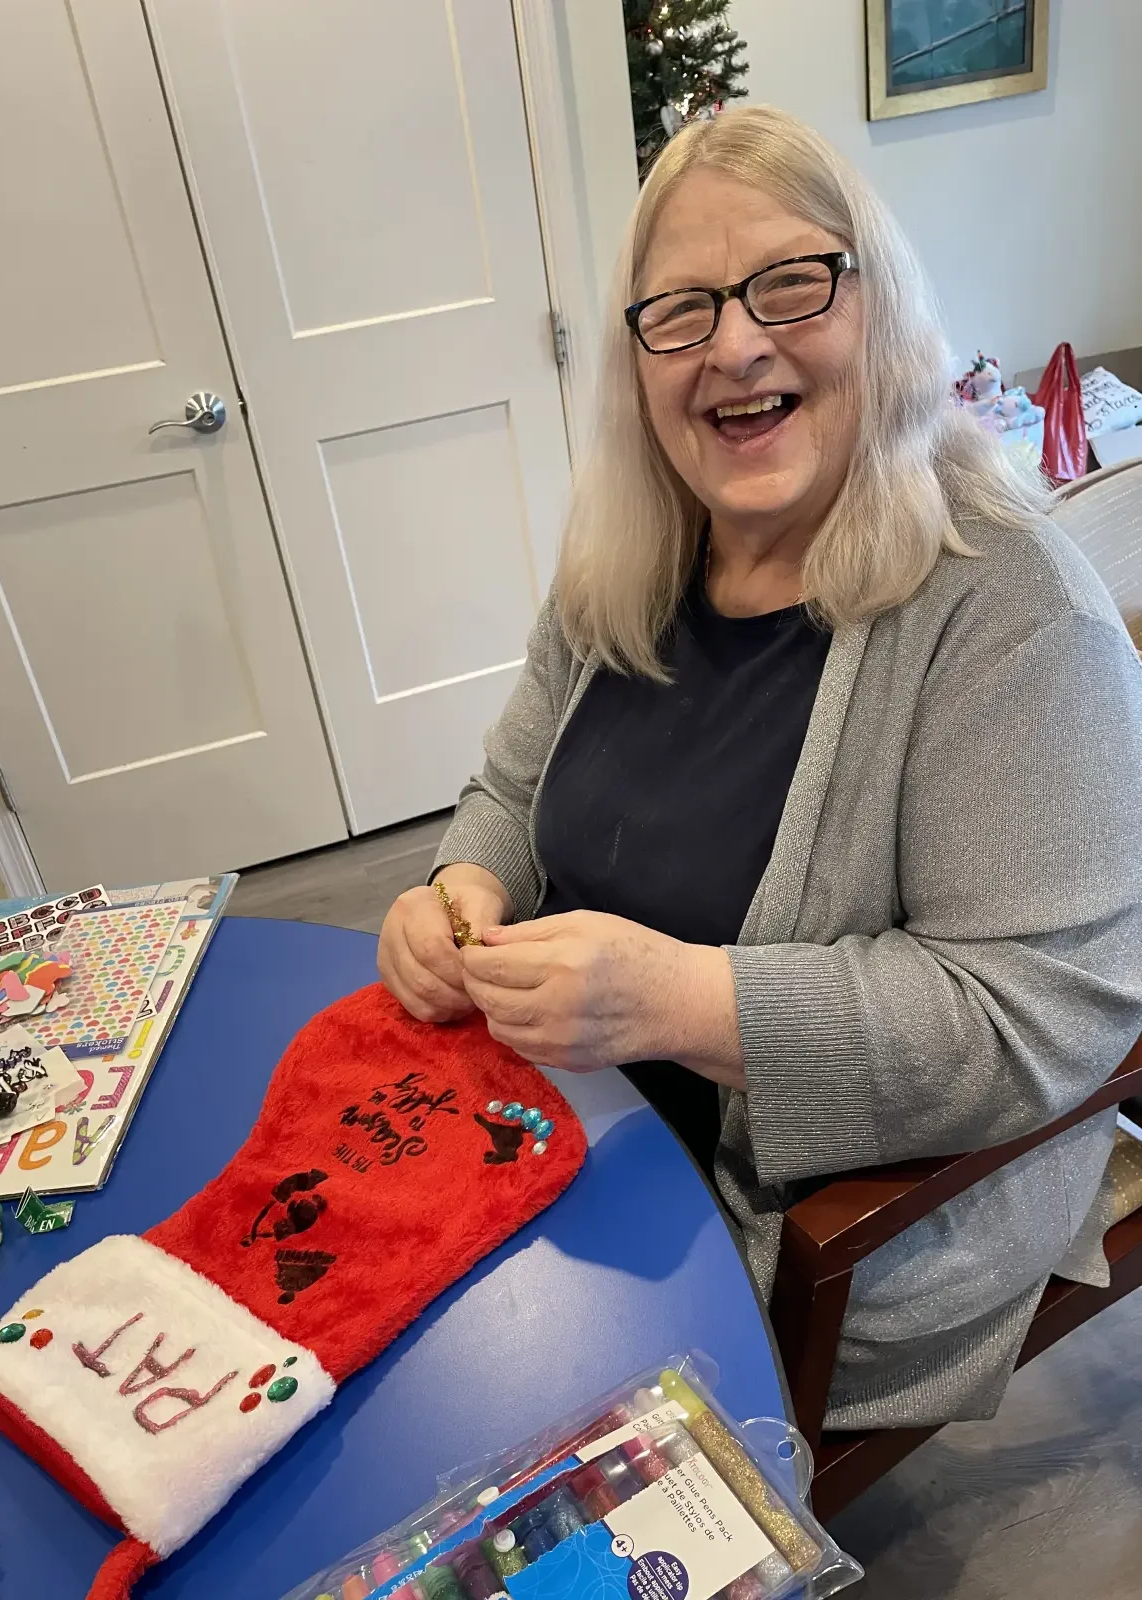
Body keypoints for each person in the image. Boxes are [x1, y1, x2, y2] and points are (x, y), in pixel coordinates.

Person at [378, 107, 1142, 1429]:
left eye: (792, 282)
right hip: (558, 1120)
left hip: (790, 1238)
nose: (734, 345)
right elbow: (507, 793)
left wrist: (681, 1002)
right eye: (681, 310)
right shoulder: (634, 551)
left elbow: (1032, 1022)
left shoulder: (1013, 610)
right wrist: (457, 892)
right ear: (637, 360)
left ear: (880, 305)